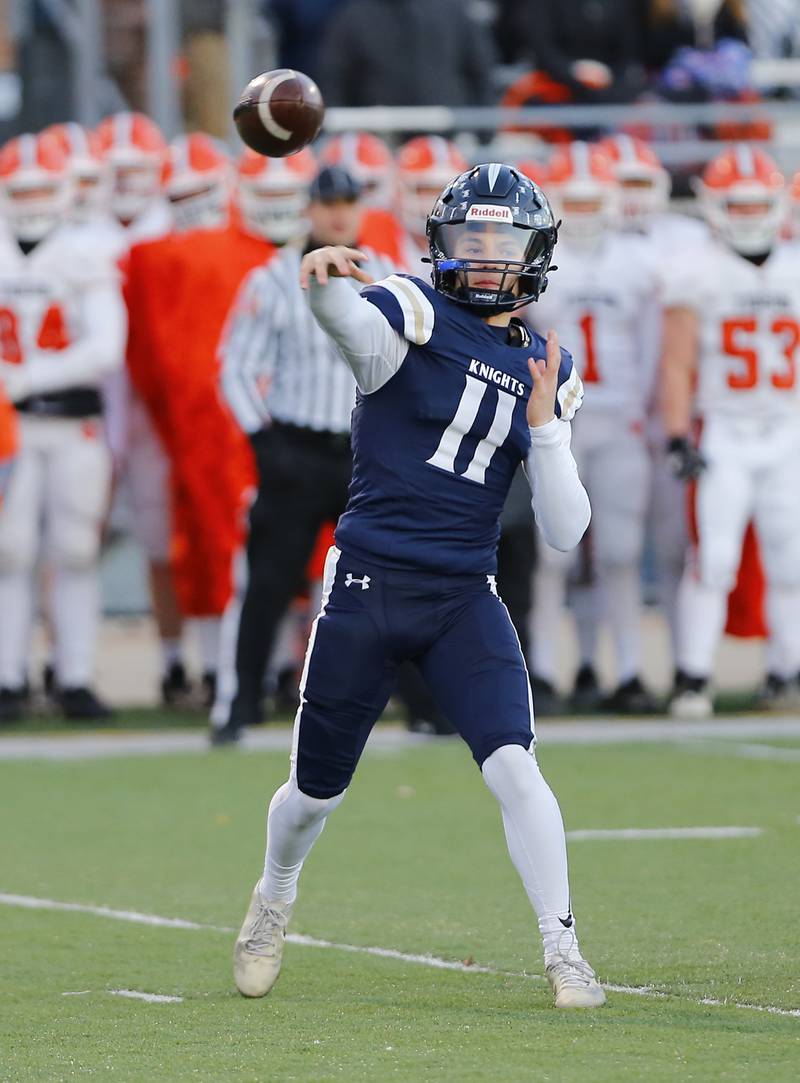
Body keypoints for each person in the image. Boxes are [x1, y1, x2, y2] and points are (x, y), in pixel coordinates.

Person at [232, 163, 605, 1010]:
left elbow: (566, 528)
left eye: (500, 241)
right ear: (442, 244)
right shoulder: (414, 306)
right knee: (313, 791)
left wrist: (545, 430)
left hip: (463, 595)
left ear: (533, 253)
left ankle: (564, 948)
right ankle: (275, 893)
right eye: (468, 238)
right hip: (369, 584)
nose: (481, 256)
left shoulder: (550, 360)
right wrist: (323, 281)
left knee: (516, 765)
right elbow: (352, 328)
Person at [213, 165, 397, 745]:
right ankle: (240, 704)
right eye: (328, 203)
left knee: (395, 578)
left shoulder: (389, 275)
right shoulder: (270, 277)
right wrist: (264, 440)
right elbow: (234, 366)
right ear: (309, 209)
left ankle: (426, 704)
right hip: (295, 446)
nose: (339, 213)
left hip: (365, 452)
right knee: (269, 581)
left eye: (348, 202)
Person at [661, 145, 800, 717]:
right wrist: (676, 432)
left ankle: (786, 671)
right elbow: (677, 361)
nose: (746, 216)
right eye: (736, 206)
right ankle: (694, 676)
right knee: (713, 558)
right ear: (715, 206)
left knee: (789, 559)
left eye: (755, 205)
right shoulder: (697, 269)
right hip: (725, 428)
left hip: (788, 428)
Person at [527, 142, 661, 712]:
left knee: (621, 553)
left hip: (618, 417)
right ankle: (545, 669)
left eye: (591, 201)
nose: (582, 213)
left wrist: (644, 413)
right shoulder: (538, 266)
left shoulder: (638, 263)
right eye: (572, 203)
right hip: (559, 422)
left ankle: (627, 669)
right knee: (552, 554)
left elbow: (653, 350)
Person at [0, 131, 127, 721]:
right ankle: (8, 678)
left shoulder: (85, 251)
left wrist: (30, 376)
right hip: (9, 426)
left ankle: (74, 676)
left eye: (40, 187)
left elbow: (106, 347)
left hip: (72, 418)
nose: (30, 200)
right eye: (19, 190)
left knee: (76, 549)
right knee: (9, 551)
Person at [318, 0, 495, 108]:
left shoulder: (454, 11)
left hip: (448, 139)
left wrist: (482, 133)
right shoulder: (354, 16)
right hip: (381, 143)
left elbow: (480, 69)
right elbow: (332, 77)